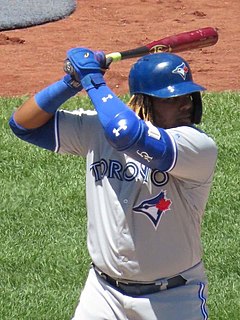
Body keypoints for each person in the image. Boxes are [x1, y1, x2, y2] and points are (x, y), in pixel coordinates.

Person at [9, 48, 217, 320]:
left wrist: (93, 81)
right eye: (172, 98)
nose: (186, 104)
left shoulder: (197, 147)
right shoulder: (98, 130)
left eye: (187, 96)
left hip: (173, 299)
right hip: (103, 294)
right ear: (144, 101)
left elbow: (128, 134)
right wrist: (70, 83)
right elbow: (23, 125)